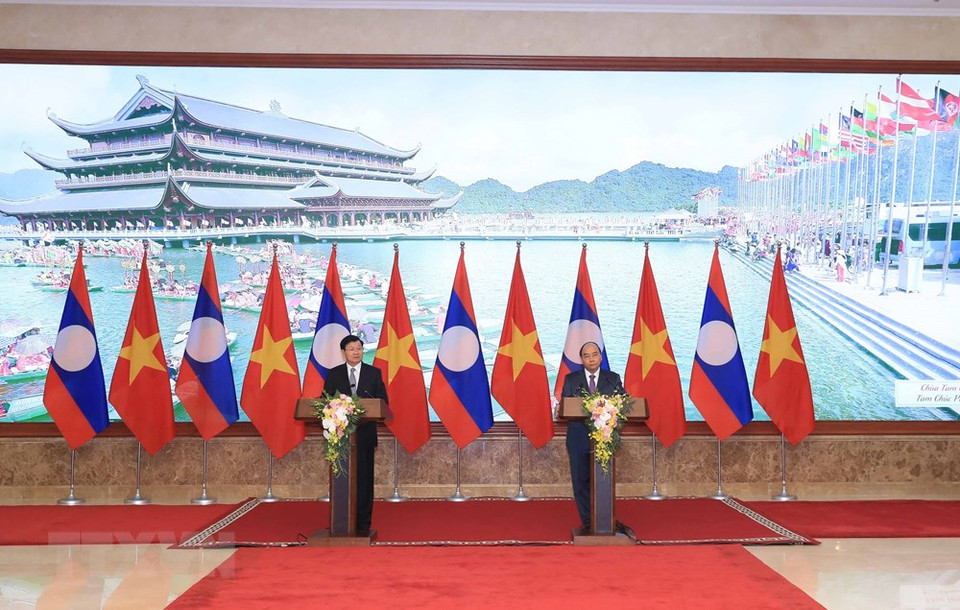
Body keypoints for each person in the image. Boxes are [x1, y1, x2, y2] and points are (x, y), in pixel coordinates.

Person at [322, 334, 388, 536]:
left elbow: (383, 402)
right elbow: (325, 401)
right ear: (344, 352)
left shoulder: (373, 373)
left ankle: (362, 524)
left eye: (359, 348)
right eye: (351, 349)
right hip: (340, 438)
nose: (356, 352)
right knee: (341, 478)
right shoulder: (334, 374)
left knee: (364, 481)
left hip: (365, 437)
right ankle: (340, 522)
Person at [560, 341, 625, 534]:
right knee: (581, 480)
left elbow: (623, 402)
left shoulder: (613, 378)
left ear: (600, 357)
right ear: (581, 359)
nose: (591, 359)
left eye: (594, 354)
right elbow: (565, 405)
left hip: (605, 437)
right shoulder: (571, 379)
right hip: (578, 436)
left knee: (602, 478)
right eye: (586, 356)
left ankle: (604, 519)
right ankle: (589, 521)